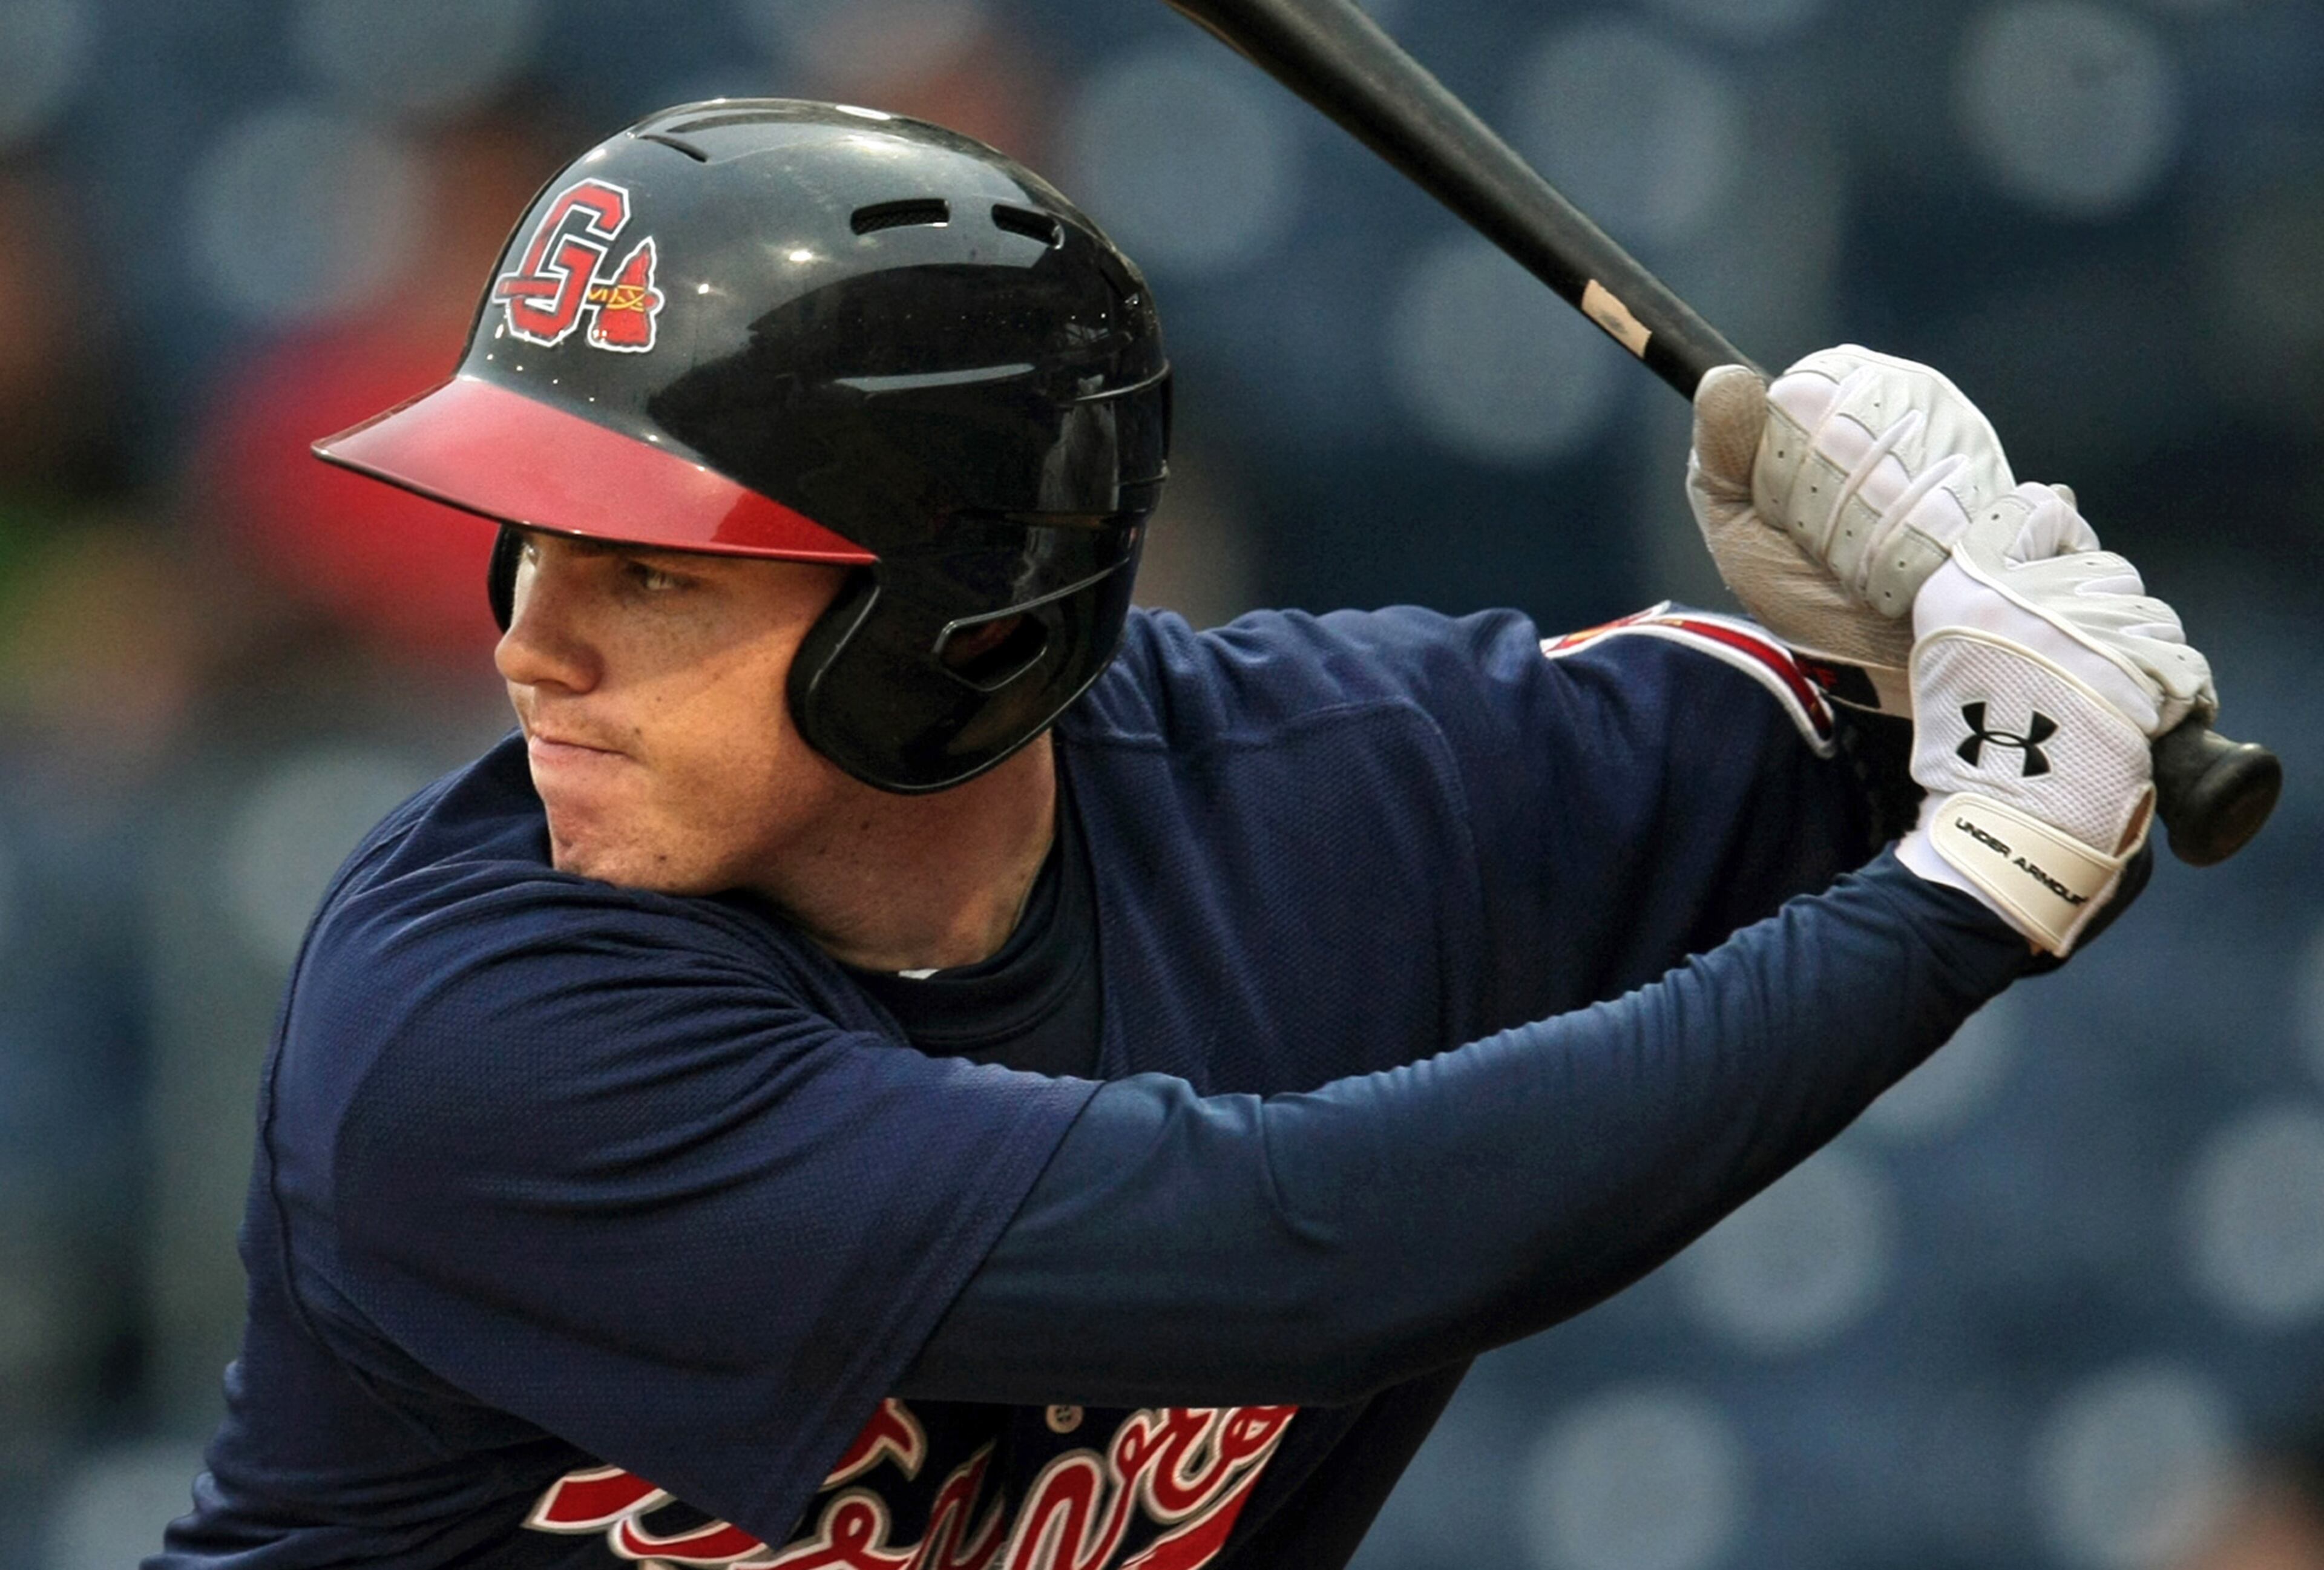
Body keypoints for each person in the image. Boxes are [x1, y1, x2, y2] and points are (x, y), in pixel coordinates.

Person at [149, 100, 2213, 1569]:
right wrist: (1964, 886)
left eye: (654, 572)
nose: (525, 640)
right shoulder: (473, 1024)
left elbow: (2070, 766)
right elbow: (1310, 1248)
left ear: (967, 613)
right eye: (524, 539)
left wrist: (1899, 642)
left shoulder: (1343, 783)